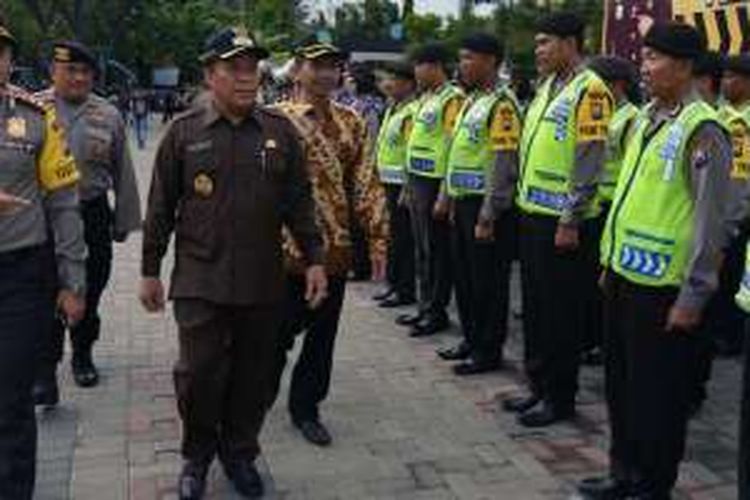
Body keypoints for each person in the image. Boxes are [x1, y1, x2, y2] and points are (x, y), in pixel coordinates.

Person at [138, 27, 326, 500]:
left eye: (252, 69)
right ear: (210, 74)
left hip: (263, 280)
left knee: (254, 375)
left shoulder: (279, 133)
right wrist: (149, 270)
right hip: (200, 278)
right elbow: (160, 207)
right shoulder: (183, 132)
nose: (246, 78)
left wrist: (315, 259)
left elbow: (300, 203)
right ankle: (197, 455)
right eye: (233, 68)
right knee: (199, 373)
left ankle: (239, 452)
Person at [578, 22, 732, 500]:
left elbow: (711, 223)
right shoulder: (647, 118)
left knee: (658, 396)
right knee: (621, 387)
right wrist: (608, 259)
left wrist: (694, 294)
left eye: (653, 59)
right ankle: (622, 472)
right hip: (625, 275)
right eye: (642, 59)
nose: (643, 68)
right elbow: (629, 198)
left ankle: (652, 483)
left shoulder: (703, 129)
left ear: (684, 66)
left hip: (664, 289)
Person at [269, 37, 388, 447]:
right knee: (274, 334)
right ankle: (254, 397)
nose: (325, 73)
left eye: (332, 66)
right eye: (316, 65)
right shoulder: (273, 119)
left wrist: (377, 236)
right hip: (281, 249)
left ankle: (306, 408)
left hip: (334, 247)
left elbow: (366, 182)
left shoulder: (352, 120)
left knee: (322, 337)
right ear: (298, 68)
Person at [503, 12, 614, 428]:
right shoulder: (548, 87)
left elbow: (588, 159)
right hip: (533, 214)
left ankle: (559, 397)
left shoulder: (592, 91)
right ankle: (537, 386)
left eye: (545, 42)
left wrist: (571, 217)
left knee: (561, 313)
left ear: (570, 44)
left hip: (564, 224)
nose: (538, 51)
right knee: (534, 308)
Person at [0, 23, 86, 500]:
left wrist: (73, 281)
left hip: (19, 275)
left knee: (10, 400)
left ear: (10, 60)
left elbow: (64, 203)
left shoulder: (36, 117)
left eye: (1, 52)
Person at [32, 41, 142, 402]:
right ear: (53, 72)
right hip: (42, 219)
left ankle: (82, 355)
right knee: (45, 295)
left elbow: (123, 171)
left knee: (89, 291)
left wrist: (124, 219)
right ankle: (45, 372)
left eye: (85, 72)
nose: (79, 78)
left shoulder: (108, 114)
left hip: (92, 213)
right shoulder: (32, 108)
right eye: (70, 70)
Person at [437, 33, 520, 376]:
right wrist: (451, 197)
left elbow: (504, 161)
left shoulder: (503, 105)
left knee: (488, 284)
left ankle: (488, 350)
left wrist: (489, 212)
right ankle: (471, 340)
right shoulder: (473, 101)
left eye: (469, 58)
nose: (462, 65)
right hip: (464, 203)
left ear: (491, 61)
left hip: (488, 209)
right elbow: (460, 154)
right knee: (466, 280)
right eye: (462, 57)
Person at [399, 42, 465, 337]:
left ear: (435, 66)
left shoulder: (452, 99)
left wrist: (444, 193)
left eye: (419, 65)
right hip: (417, 180)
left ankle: (436, 311)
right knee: (422, 250)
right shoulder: (426, 98)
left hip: (435, 182)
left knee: (437, 252)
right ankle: (425, 306)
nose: (415, 71)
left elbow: (452, 145)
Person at [583, 55, 640, 365]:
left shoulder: (631, 118)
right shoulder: (595, 111)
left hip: (611, 206)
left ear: (617, 85)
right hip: (594, 205)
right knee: (591, 282)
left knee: (605, 285)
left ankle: (603, 344)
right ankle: (590, 338)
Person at [375, 62, 418, 308]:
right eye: (387, 78)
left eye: (394, 79)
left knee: (404, 240)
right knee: (392, 236)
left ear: (408, 84)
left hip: (401, 184)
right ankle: (392, 284)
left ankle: (404, 289)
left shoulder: (411, 112)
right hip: (386, 181)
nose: (388, 84)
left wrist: (407, 186)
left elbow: (410, 149)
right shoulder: (393, 109)